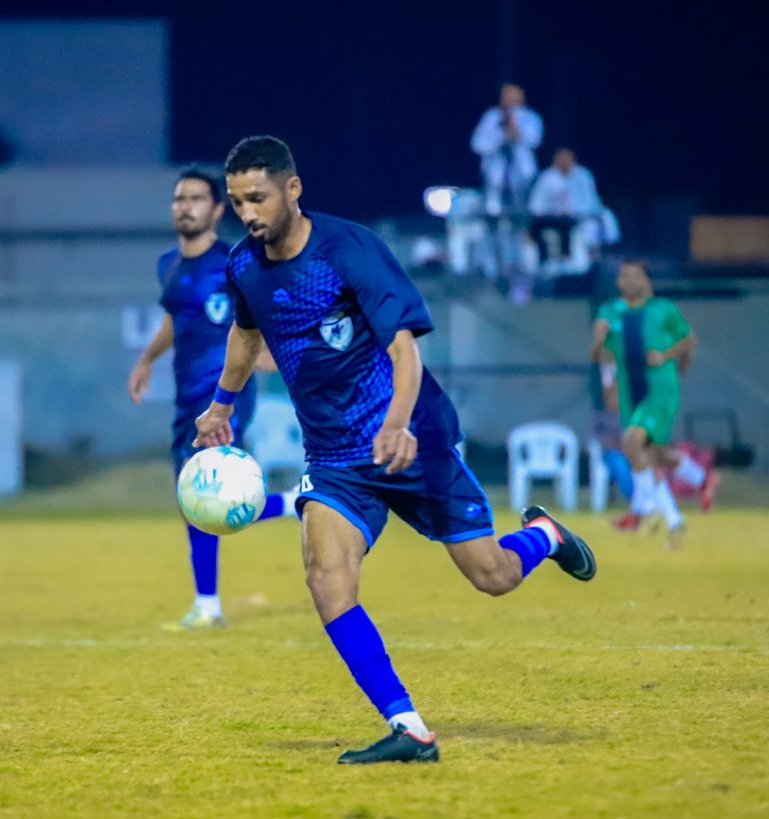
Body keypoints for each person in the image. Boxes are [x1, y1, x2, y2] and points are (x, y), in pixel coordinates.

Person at [193, 136, 596, 765]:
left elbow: (404, 349)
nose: (247, 213)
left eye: (258, 198)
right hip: (334, 458)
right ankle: (409, 728)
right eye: (238, 201)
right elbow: (245, 337)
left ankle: (543, 536)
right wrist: (221, 405)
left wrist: (399, 424)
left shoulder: (349, 250)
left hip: (414, 439)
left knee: (492, 576)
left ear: (292, 189)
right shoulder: (243, 265)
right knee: (326, 578)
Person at [128, 167, 297, 632]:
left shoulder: (234, 263)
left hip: (225, 398)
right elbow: (175, 319)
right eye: (179, 199)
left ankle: (208, 605)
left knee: (207, 492)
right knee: (195, 499)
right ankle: (296, 503)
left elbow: (266, 312)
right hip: (187, 401)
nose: (186, 206)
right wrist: (147, 359)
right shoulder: (168, 265)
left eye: (197, 199)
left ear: (217, 209)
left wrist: (271, 353)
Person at [589, 260, 717, 548]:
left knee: (632, 443)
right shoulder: (610, 312)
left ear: (646, 281)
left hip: (659, 390)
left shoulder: (663, 309)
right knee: (654, 455)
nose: (629, 281)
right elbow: (600, 356)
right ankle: (693, 492)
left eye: (635, 276)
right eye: (624, 276)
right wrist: (599, 344)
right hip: (629, 391)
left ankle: (642, 511)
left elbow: (689, 342)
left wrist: (668, 358)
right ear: (619, 282)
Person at [471, 84, 544, 218]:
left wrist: (517, 133)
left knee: (520, 209)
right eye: (507, 96)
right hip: (495, 173)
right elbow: (478, 145)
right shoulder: (491, 117)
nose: (510, 100)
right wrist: (501, 136)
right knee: (492, 208)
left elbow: (535, 141)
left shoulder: (531, 117)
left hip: (522, 174)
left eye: (514, 95)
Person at [528, 148, 602, 269]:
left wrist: (575, 212)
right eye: (561, 159)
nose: (564, 161)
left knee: (575, 226)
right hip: (551, 216)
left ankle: (572, 260)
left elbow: (590, 199)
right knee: (536, 226)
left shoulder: (583, 176)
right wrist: (545, 213)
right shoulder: (547, 177)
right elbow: (537, 202)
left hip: (578, 216)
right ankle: (542, 262)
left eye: (567, 159)